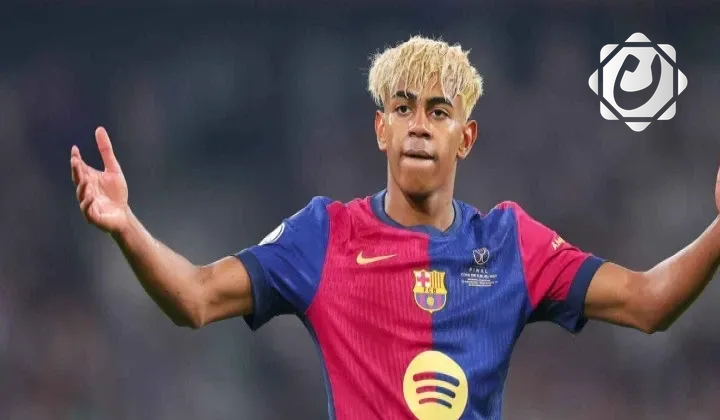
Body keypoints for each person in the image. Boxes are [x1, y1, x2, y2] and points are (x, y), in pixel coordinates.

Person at [69, 36, 720, 420]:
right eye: (402, 108)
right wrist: (127, 227)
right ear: (381, 129)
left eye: (437, 111)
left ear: (465, 137)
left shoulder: (509, 243)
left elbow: (649, 302)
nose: (418, 126)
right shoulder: (324, 235)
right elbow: (195, 297)